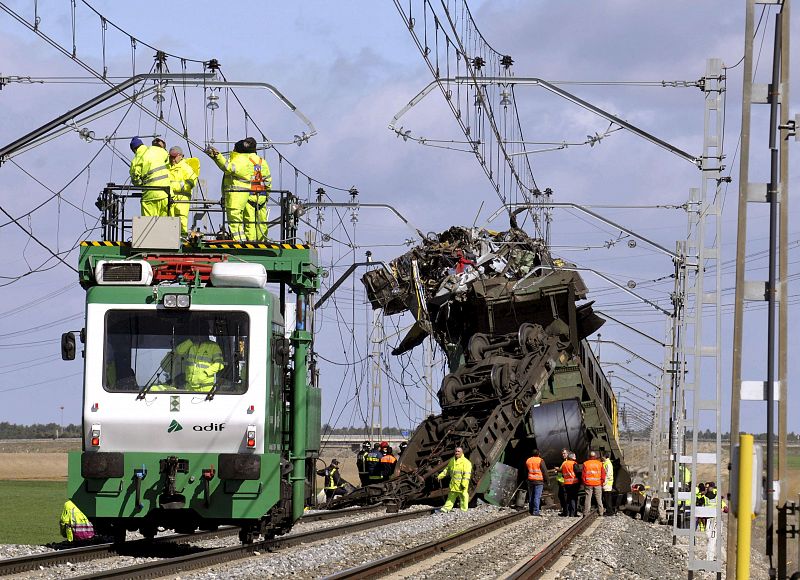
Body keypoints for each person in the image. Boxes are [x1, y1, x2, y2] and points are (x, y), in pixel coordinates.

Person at [206, 137, 272, 242]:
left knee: (247, 221)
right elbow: (268, 181)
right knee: (261, 222)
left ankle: (247, 241)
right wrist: (267, 195)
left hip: (246, 194)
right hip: (261, 194)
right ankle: (262, 241)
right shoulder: (262, 162)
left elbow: (229, 168)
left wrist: (217, 156)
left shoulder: (242, 160)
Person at [130, 137, 170, 218]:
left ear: (134, 149)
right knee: (165, 225)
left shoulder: (136, 159)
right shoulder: (157, 150)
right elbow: (167, 158)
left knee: (148, 225)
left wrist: (140, 184)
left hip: (149, 196)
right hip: (164, 193)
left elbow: (135, 179)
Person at [167, 146, 198, 236]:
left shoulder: (186, 168)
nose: (172, 159)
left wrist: (173, 186)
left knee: (181, 222)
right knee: (169, 222)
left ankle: (182, 239)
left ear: (181, 156)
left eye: (174, 157)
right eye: (171, 157)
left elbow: (191, 183)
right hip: (170, 200)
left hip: (182, 201)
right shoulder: (167, 167)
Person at [436, 446, 472, 513]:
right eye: (456, 451)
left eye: (458, 451)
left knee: (464, 497)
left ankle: (464, 510)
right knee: (451, 497)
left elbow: (467, 474)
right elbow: (447, 470)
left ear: (462, 452)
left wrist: (464, 484)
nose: (457, 453)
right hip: (453, 484)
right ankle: (445, 509)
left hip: (461, 484)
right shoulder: (452, 460)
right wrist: (440, 476)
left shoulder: (466, 462)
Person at [524, 449, 549, 516]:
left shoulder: (528, 460)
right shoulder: (540, 460)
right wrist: (547, 480)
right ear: (539, 454)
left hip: (530, 480)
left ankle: (531, 510)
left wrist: (526, 478)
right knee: (537, 497)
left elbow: (526, 471)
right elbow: (545, 471)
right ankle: (536, 512)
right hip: (539, 481)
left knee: (531, 496)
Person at [582, 450, 605, 516]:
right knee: (599, 498)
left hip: (588, 483)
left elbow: (583, 475)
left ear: (589, 456)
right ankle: (601, 512)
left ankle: (586, 513)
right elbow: (603, 474)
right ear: (595, 456)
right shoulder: (600, 463)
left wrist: (584, 482)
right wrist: (601, 481)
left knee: (588, 498)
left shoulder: (585, 463)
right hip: (597, 483)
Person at [562, 452, 580, 517]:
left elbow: (563, 474)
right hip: (573, 483)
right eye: (574, 456)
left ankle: (567, 512)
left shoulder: (564, 464)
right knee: (573, 498)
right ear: (572, 457)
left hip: (566, 483)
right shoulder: (574, 464)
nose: (575, 457)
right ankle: (573, 513)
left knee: (568, 498)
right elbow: (578, 473)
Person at [555, 448, 570, 516]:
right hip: (562, 482)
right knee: (561, 496)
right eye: (562, 454)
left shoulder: (566, 461)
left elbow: (563, 470)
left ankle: (566, 512)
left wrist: (558, 470)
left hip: (564, 482)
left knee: (564, 497)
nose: (563, 455)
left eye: (564, 453)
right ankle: (565, 511)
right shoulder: (564, 461)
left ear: (568, 453)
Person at [601, 451, 615, 515]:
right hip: (607, 484)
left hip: (607, 484)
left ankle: (609, 512)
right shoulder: (606, 463)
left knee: (607, 499)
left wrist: (604, 482)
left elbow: (608, 474)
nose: (601, 457)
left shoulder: (608, 464)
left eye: (602, 456)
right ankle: (609, 511)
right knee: (607, 498)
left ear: (604, 456)